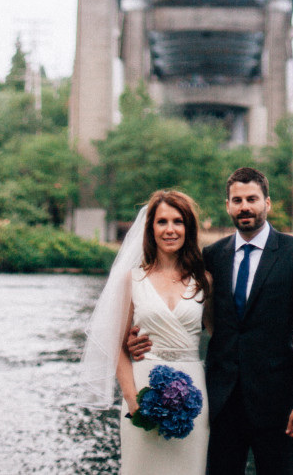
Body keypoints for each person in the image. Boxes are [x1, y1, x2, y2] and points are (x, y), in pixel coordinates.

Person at [129, 166, 293, 475]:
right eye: (237, 200)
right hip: (220, 404)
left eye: (252, 199)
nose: (245, 207)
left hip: (280, 405)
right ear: (228, 206)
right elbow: (189, 314)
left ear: (267, 203)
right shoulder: (211, 257)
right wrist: (136, 337)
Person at [78, 189, 211, 475]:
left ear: (188, 227)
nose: (170, 229)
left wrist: (288, 335)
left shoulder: (205, 279)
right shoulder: (133, 279)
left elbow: (225, 332)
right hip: (144, 390)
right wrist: (133, 399)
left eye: (178, 221)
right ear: (151, 228)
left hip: (194, 392)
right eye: (162, 222)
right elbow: (115, 344)